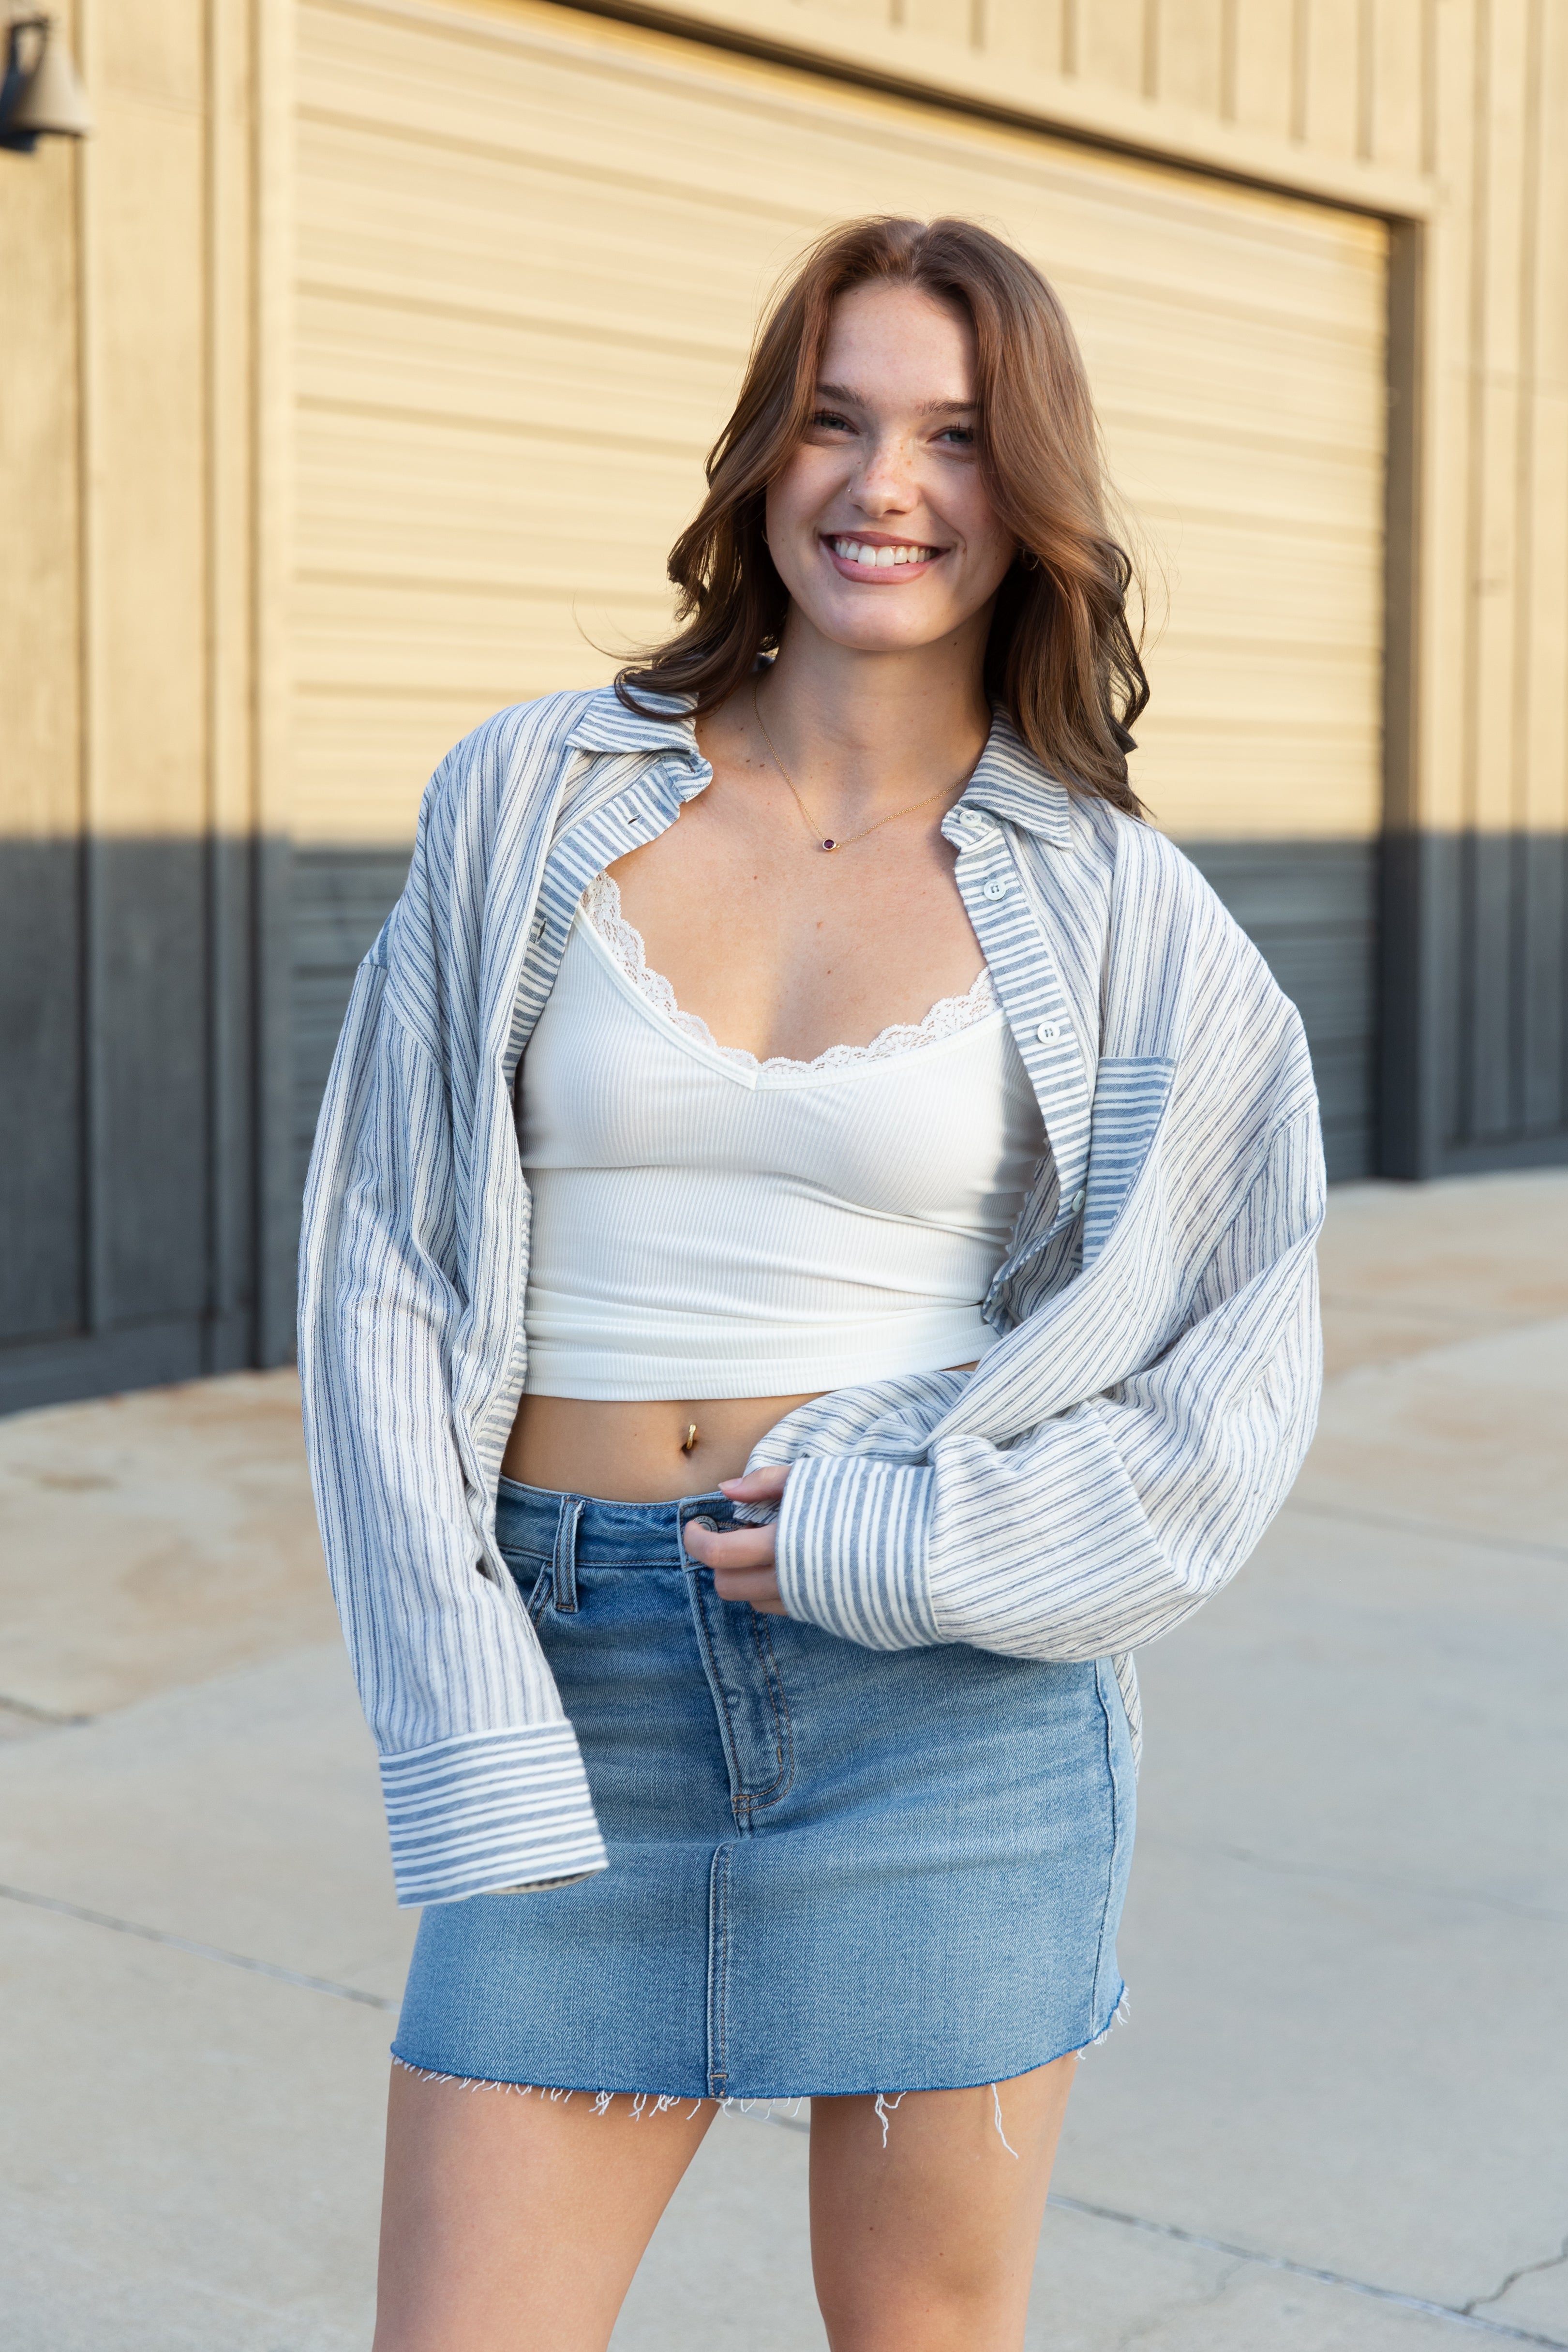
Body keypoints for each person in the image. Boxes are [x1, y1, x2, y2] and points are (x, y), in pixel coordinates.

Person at [299, 214, 1324, 2352]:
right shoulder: (532, 793)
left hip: (941, 1715)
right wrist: (456, 1686)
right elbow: (383, 1264)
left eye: (955, 437)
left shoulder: (1121, 903)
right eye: (836, 420)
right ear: (763, 455)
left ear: (1025, 493)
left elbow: (1236, 1381)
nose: (885, 486)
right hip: (571, 1669)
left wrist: (915, 1529)